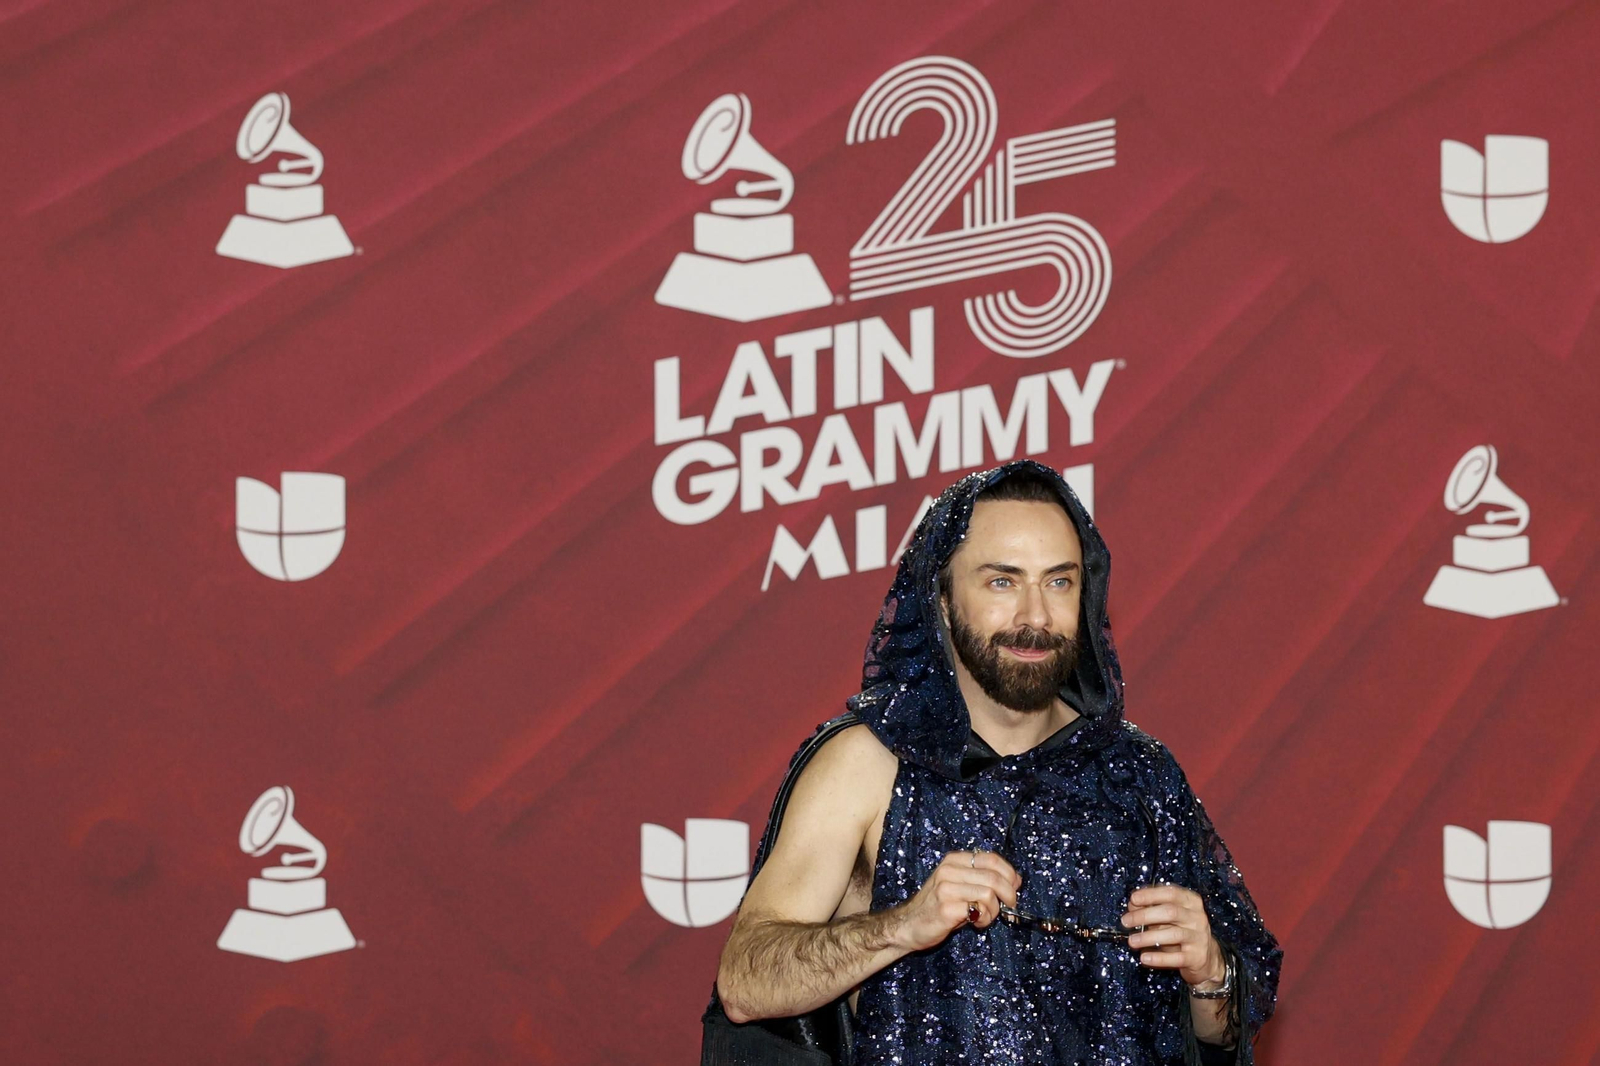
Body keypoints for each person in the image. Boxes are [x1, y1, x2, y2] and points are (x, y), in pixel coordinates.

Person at [708, 458, 1283, 1064]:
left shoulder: (1141, 774)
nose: (1035, 616)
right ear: (943, 597)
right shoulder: (868, 762)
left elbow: (1224, 1030)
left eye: (1059, 582)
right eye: (1002, 582)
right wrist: (905, 924)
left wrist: (1210, 970)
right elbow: (746, 983)